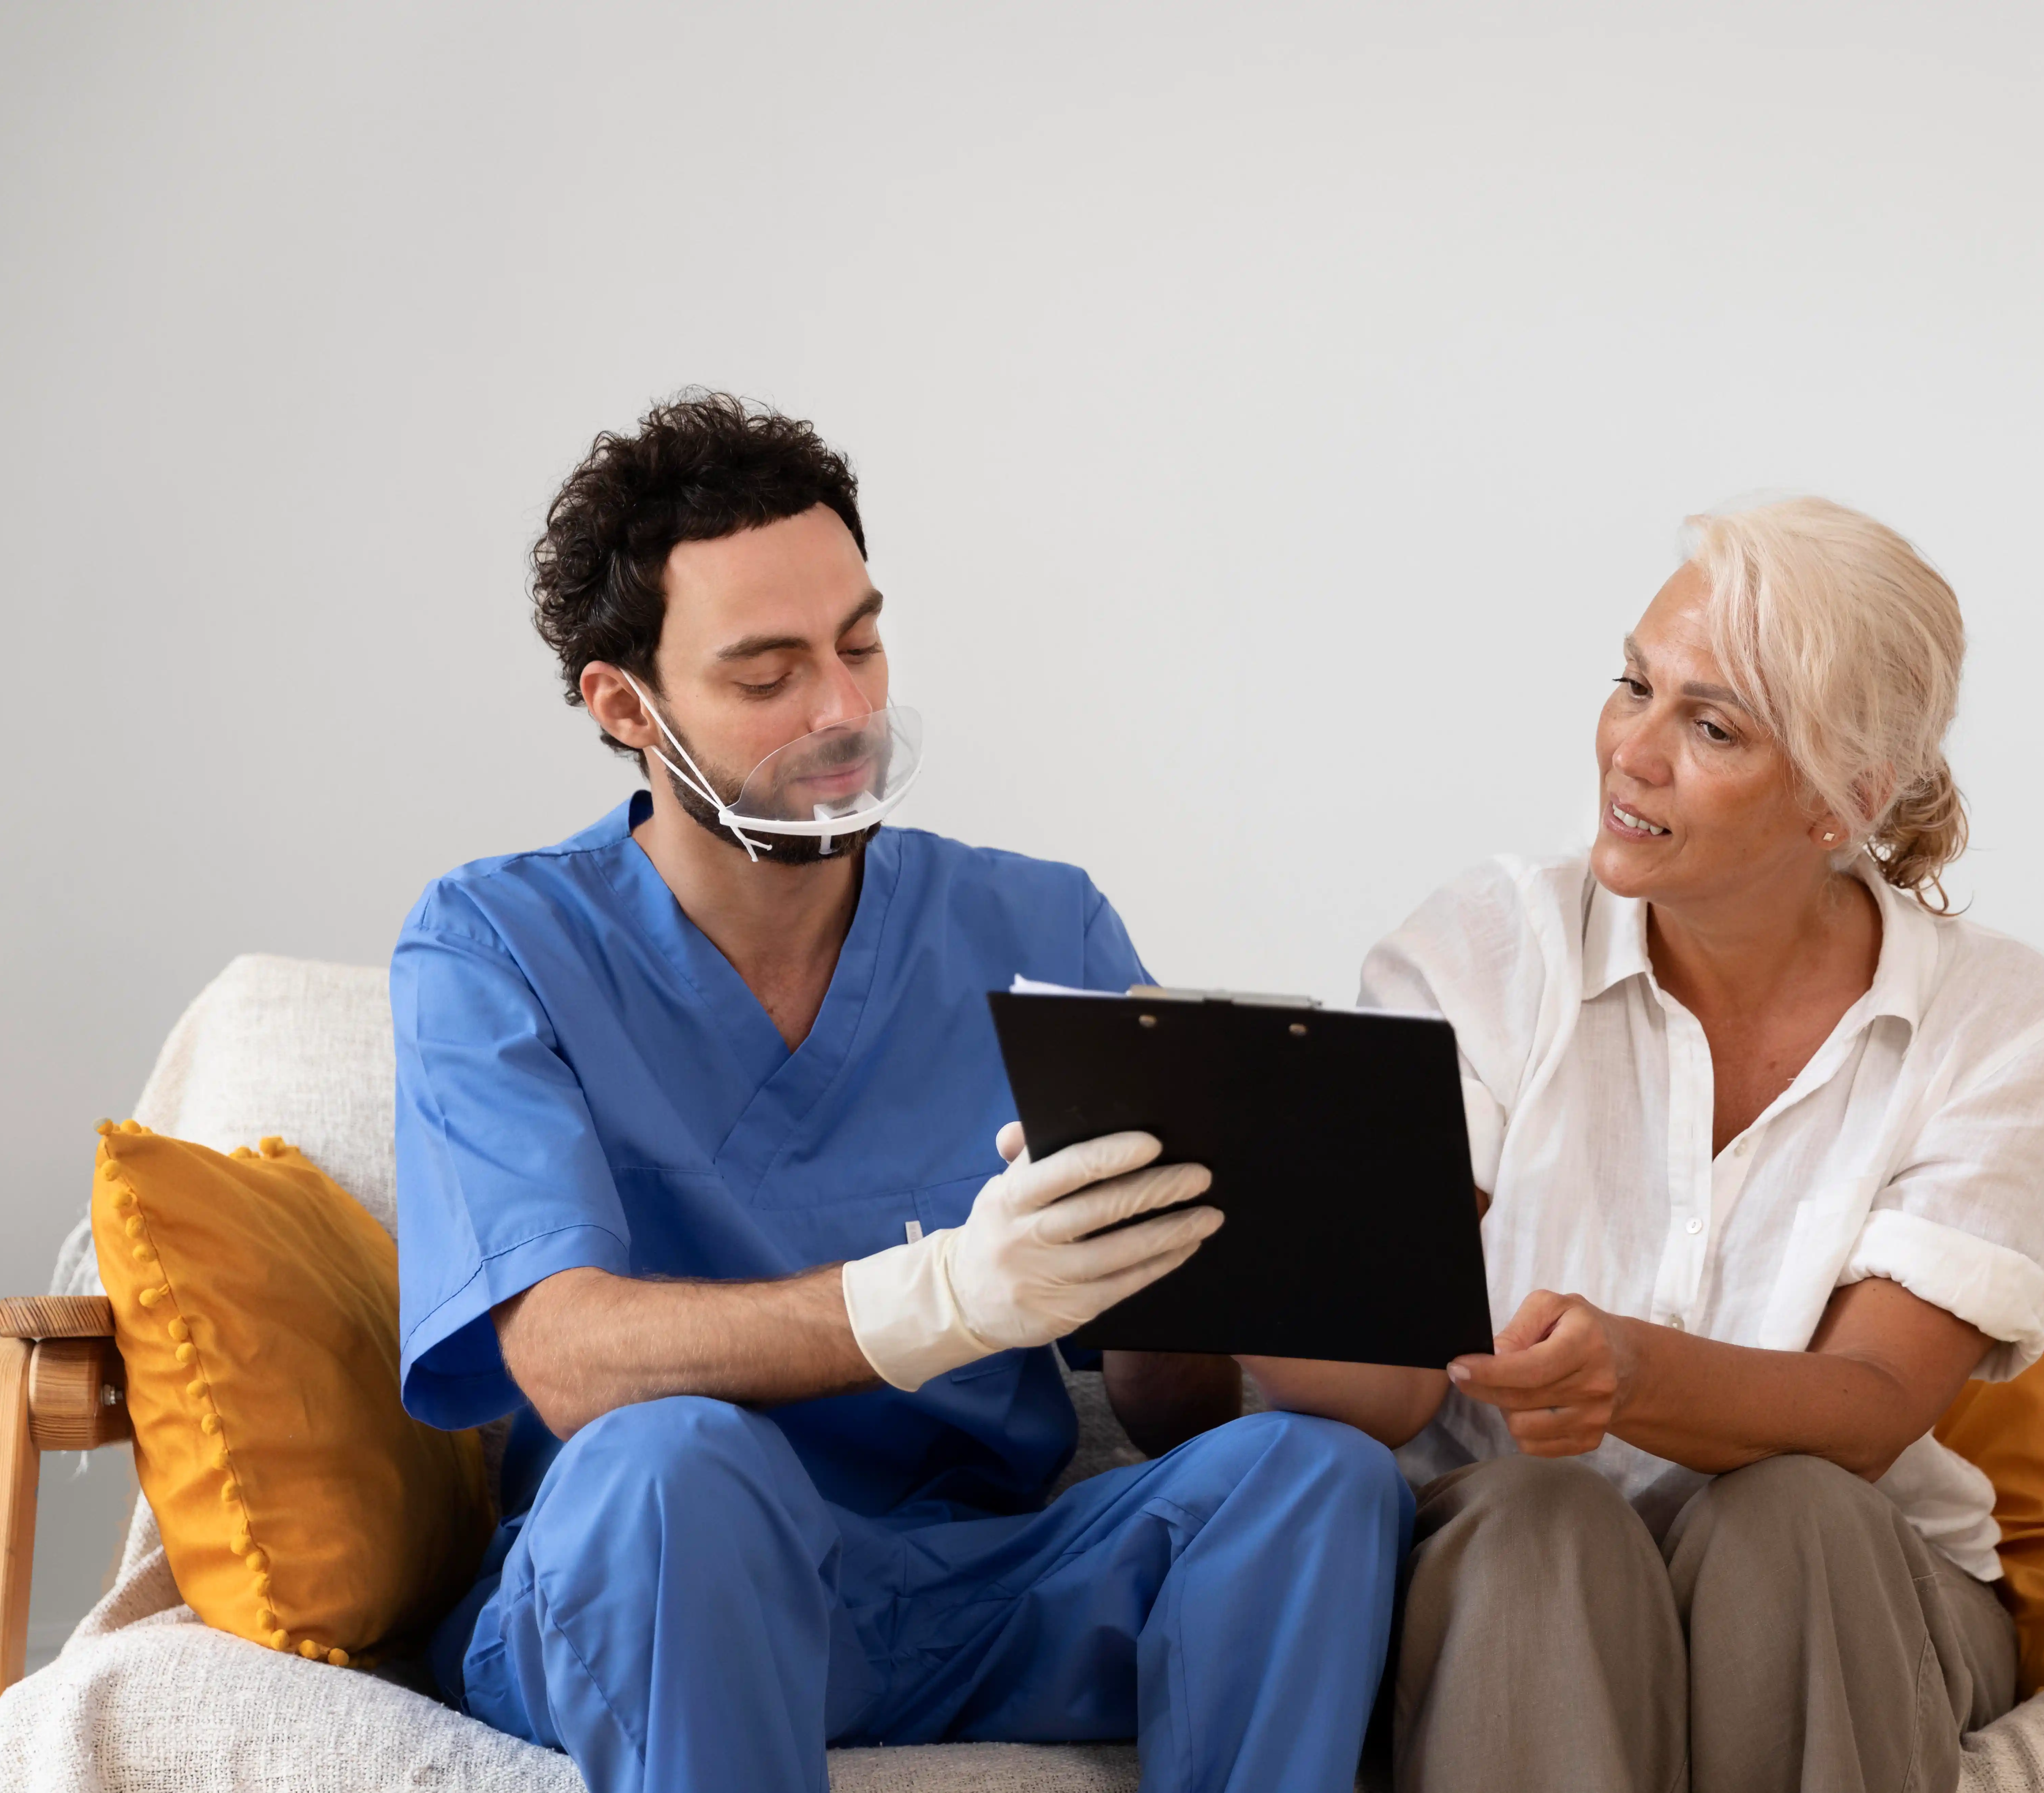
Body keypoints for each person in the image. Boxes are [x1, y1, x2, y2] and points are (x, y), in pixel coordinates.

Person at [392, 392, 1410, 1793]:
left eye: (859, 644)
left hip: (972, 1582)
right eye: (768, 675)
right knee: (672, 1466)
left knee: (1313, 1478)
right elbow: (568, 1357)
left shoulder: (1037, 924)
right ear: (626, 706)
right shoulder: (494, 946)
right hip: (661, 1583)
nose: (845, 712)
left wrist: (1184, 1253)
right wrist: (949, 1297)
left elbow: (1171, 1410)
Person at [1242, 497, 2044, 1793]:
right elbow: (1397, 1382)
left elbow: (1869, 1407)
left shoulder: (2003, 1021)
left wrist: (1632, 1372)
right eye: (1634, 685)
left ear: (1846, 800)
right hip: (1508, 1556)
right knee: (1540, 1513)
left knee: (1793, 1511)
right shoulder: (1488, 946)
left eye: (1712, 727)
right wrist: (1221, 1256)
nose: (1630, 752)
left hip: (1854, 1584)